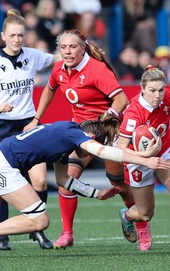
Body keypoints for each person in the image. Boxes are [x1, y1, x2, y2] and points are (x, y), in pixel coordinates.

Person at [0, 120, 170, 260]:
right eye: (88, 150)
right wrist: (143, 158)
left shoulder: (66, 136)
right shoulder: (74, 135)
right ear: (89, 138)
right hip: (2, 165)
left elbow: (64, 180)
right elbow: (103, 151)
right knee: (40, 220)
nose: (88, 157)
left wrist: (96, 193)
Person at [25, 29, 135, 249]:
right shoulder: (59, 69)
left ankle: (133, 218)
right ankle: (67, 233)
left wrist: (104, 122)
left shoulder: (97, 69)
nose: (67, 51)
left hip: (109, 132)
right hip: (81, 134)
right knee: (67, 182)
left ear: (83, 48)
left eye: (72, 47)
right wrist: (37, 118)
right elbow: (49, 89)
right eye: (63, 47)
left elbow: (122, 100)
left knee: (116, 181)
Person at [0, 8, 59, 250]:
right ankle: (2, 237)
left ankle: (37, 229)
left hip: (28, 124)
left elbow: (58, 58)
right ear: (3, 35)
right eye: (12, 35)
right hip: (0, 126)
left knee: (40, 181)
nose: (17, 39)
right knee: (0, 185)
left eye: (21, 35)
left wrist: (81, 50)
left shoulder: (33, 55)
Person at [117, 65, 170, 251]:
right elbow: (121, 148)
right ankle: (127, 216)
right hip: (137, 161)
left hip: (164, 151)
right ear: (142, 89)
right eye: (152, 90)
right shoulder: (133, 114)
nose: (158, 95)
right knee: (145, 213)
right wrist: (146, 158)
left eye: (161, 90)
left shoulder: (166, 96)